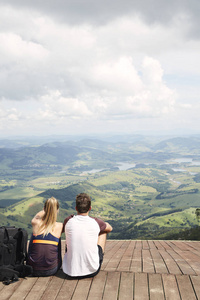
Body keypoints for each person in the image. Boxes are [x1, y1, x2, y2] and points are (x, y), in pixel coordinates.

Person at [62, 193, 113, 279]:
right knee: (103, 232)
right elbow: (110, 228)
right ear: (90, 208)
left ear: (76, 208)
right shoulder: (96, 222)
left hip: (69, 271)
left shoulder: (68, 220)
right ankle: (97, 257)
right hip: (92, 271)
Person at [27, 197, 63, 276]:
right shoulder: (60, 226)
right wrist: (52, 210)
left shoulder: (35, 223)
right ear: (57, 210)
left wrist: (46, 210)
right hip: (51, 269)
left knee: (33, 239)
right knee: (57, 240)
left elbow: (37, 215)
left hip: (32, 269)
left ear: (44, 209)